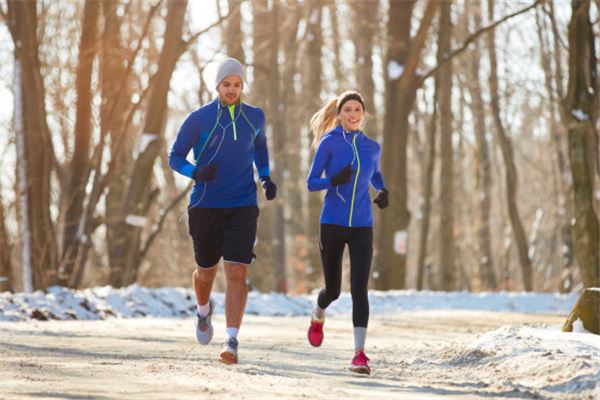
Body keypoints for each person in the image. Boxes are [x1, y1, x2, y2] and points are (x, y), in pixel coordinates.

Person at [169, 57, 277, 365]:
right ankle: (203, 312)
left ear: (243, 86)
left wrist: (266, 176)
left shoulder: (255, 116)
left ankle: (231, 340)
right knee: (206, 272)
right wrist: (195, 172)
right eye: (227, 84)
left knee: (237, 271)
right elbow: (174, 156)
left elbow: (259, 147)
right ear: (217, 86)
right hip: (205, 204)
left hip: (242, 203)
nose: (232, 90)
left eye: (237, 84)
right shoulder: (199, 119)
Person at [305, 90, 388, 375]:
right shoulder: (328, 143)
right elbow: (311, 183)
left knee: (359, 290)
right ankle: (318, 312)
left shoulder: (371, 147)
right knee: (334, 290)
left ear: (363, 114)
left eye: (357, 110)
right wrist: (333, 180)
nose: (353, 115)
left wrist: (383, 190)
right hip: (332, 223)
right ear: (340, 114)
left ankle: (359, 354)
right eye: (348, 110)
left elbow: (375, 174)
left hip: (362, 225)